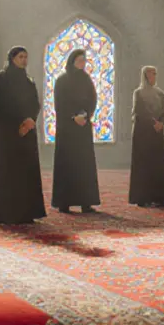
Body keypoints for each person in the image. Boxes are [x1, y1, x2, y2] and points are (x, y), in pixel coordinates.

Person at [0, 46, 47, 225]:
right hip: (8, 130)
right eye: (20, 57)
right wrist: (22, 120)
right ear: (12, 59)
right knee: (5, 169)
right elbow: (5, 102)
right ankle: (1, 213)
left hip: (27, 131)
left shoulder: (29, 81)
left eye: (26, 57)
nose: (24, 60)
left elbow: (36, 103)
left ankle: (25, 212)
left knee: (25, 170)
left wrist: (31, 120)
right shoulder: (1, 78)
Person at [51, 49, 101, 213]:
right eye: (79, 60)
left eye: (84, 61)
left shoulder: (86, 80)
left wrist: (86, 115)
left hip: (83, 127)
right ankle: (64, 202)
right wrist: (73, 117)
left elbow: (93, 99)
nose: (82, 64)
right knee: (67, 164)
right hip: (67, 128)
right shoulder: (62, 80)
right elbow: (59, 104)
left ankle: (86, 202)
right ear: (72, 61)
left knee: (84, 164)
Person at [129, 66, 164, 207]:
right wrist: (153, 123)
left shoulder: (160, 93)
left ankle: (159, 196)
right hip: (143, 133)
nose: (153, 77)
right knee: (144, 165)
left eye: (155, 74)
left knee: (157, 164)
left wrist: (162, 123)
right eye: (151, 74)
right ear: (145, 76)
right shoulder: (139, 93)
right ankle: (143, 197)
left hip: (156, 133)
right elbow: (139, 111)